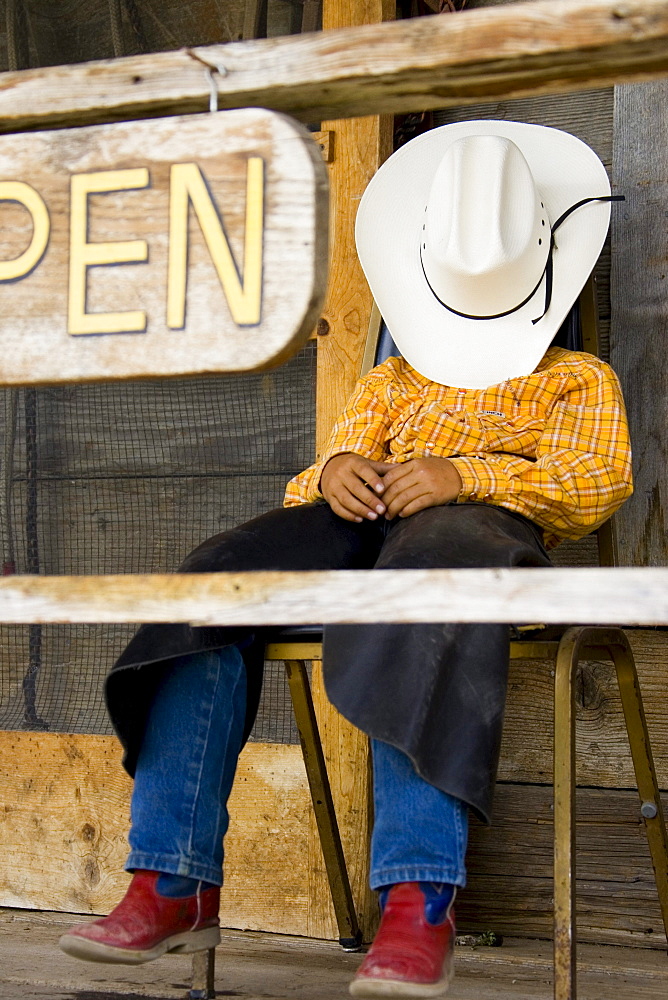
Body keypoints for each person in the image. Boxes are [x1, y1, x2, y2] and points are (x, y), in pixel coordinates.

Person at [59, 120, 632, 999]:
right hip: (366, 532)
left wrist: (462, 475)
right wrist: (334, 474)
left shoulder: (576, 379)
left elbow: (596, 482)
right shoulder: (392, 383)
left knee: (428, 568)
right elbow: (318, 479)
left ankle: (417, 900)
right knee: (222, 569)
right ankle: (171, 880)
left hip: (470, 546)